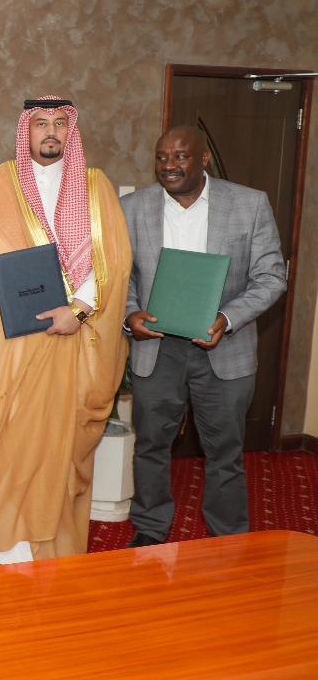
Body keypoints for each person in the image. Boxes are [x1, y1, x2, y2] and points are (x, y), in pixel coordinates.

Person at [0, 96, 130, 563]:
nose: (51, 131)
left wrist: (80, 311)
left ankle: (45, 534)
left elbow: (113, 260)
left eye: (60, 123)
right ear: (25, 131)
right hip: (4, 338)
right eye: (41, 123)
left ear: (72, 131)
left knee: (56, 436)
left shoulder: (95, 188)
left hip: (71, 339)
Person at [122, 125, 286, 547]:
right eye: (161, 157)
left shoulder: (249, 204)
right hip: (157, 349)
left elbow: (271, 277)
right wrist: (130, 314)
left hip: (223, 349)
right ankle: (150, 529)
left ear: (203, 159)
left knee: (225, 452)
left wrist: (227, 319)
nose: (169, 165)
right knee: (150, 445)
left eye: (180, 156)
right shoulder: (132, 207)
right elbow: (122, 276)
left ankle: (227, 539)